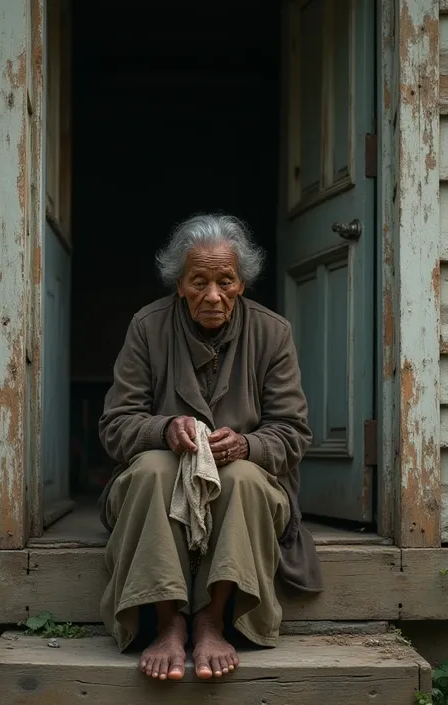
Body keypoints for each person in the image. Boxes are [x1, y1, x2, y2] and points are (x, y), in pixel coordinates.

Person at [98, 213, 322, 682]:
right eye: (199, 281)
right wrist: (164, 430)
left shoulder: (272, 333)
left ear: (242, 284)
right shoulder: (147, 327)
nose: (213, 295)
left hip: (245, 487)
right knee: (154, 469)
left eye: (226, 281)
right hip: (159, 485)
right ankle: (167, 622)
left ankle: (212, 619)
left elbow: (293, 432)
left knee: (241, 476)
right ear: (179, 284)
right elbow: (115, 426)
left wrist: (246, 444)